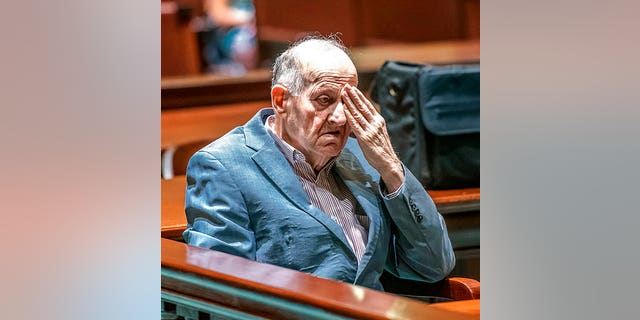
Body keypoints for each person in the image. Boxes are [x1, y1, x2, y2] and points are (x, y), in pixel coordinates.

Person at [182, 36, 455, 291]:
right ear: (281, 100)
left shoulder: (362, 157)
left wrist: (390, 167)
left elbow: (434, 265)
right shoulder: (222, 166)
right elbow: (221, 290)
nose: (340, 118)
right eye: (324, 100)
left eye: (347, 101)